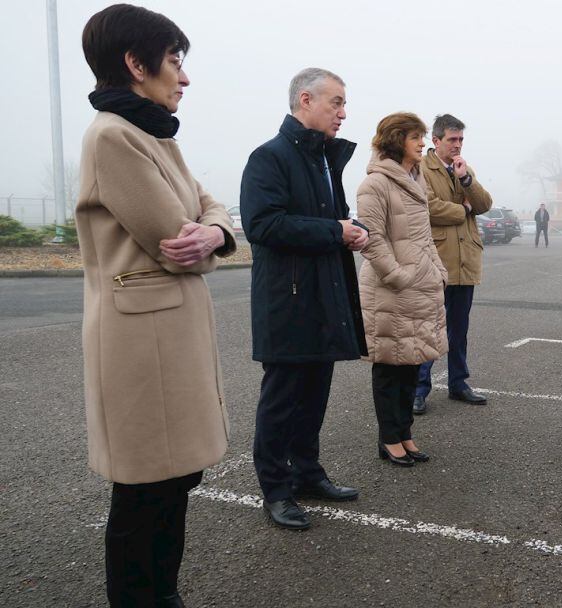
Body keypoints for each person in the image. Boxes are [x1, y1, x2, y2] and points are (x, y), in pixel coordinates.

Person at [77, 5, 236, 605]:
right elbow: (176, 244)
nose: (184, 77)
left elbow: (210, 208)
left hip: (165, 336)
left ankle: (161, 595)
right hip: (141, 343)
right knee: (146, 489)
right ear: (135, 64)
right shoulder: (114, 136)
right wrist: (209, 234)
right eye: (175, 61)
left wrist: (217, 231)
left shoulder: (151, 132)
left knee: (173, 481)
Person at [240, 68, 369, 531]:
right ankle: (275, 489)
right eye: (336, 102)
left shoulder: (322, 160)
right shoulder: (268, 158)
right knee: (282, 401)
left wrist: (354, 231)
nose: (343, 112)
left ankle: (308, 473)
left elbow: (335, 218)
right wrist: (334, 231)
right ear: (306, 100)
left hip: (324, 295)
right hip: (288, 300)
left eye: (344, 103)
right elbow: (263, 225)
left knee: (314, 396)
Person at [356, 113, 448, 466]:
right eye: (415, 137)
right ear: (396, 139)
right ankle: (388, 438)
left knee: (411, 363)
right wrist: (398, 275)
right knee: (388, 367)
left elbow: (422, 236)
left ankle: (405, 433)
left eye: (422, 136)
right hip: (390, 290)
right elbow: (372, 238)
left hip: (420, 286)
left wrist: (436, 270)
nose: (422, 143)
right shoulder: (375, 184)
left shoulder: (416, 178)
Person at [414, 114, 493, 414]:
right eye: (452, 140)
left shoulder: (463, 168)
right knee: (431, 328)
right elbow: (427, 206)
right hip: (439, 259)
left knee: (459, 329)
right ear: (436, 141)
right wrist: (463, 209)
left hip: (465, 261)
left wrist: (466, 180)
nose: (458, 145)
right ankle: (419, 389)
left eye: (461, 139)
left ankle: (459, 384)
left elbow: (484, 204)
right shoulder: (423, 168)